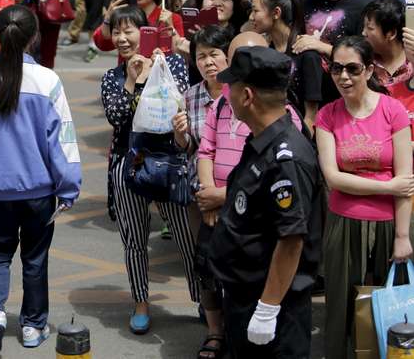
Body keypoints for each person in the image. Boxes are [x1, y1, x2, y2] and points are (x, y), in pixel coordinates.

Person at [0, 4, 80, 353]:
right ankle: (32, 326)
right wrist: (68, 187)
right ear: (34, 36)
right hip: (38, 191)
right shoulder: (48, 80)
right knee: (35, 258)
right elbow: (62, 141)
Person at [209, 46, 322, 358]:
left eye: (230, 85)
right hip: (244, 295)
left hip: (272, 307)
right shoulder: (262, 142)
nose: (225, 92)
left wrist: (267, 309)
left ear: (247, 96)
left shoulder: (286, 158)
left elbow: (291, 238)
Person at [316, 35, 413, 359]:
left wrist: (402, 236)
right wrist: (387, 187)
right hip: (343, 223)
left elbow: (406, 179)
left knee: (393, 311)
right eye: (336, 68)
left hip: (389, 225)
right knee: (340, 308)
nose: (344, 76)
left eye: (353, 69)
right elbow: (333, 178)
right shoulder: (327, 116)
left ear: (370, 70)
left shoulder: (393, 110)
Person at [101, 5, 195, 335]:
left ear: (145, 32)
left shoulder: (174, 66)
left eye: (129, 30)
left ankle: (203, 300)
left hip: (171, 160)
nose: (122, 37)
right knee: (135, 240)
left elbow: (182, 105)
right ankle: (141, 302)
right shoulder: (112, 78)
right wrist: (132, 79)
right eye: (117, 31)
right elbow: (118, 118)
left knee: (186, 234)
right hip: (131, 162)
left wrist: (160, 71)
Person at [171, 24, 232, 359]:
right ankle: (214, 331)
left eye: (214, 55)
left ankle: (237, 327)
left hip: (236, 195)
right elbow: (189, 148)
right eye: (201, 56)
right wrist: (180, 133)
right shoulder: (191, 95)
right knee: (205, 263)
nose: (208, 62)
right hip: (199, 193)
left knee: (239, 264)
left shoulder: (240, 93)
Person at [249, 0, 323, 130]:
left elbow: (311, 115)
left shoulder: (307, 55)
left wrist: (298, 145)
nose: (251, 17)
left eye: (255, 10)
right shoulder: (265, 52)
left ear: (276, 13)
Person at [362, 0, 412, 87]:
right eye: (364, 27)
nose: (363, 33)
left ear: (391, 33)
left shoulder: (411, 62)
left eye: (370, 28)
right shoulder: (363, 62)